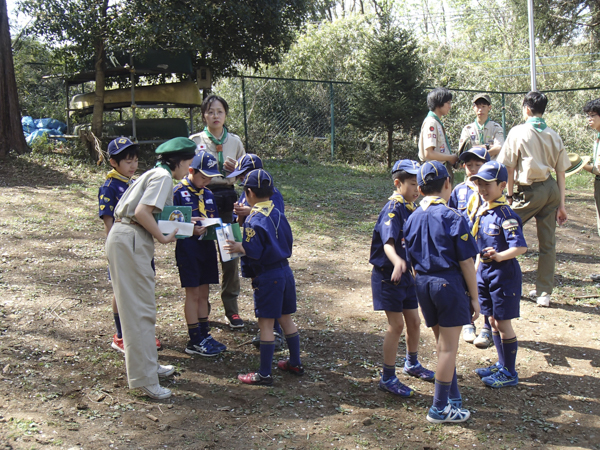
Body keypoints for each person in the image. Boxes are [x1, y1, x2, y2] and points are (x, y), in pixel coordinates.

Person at [105, 137, 197, 400]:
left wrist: (190, 228)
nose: (189, 169)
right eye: (189, 163)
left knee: (144, 308)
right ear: (178, 161)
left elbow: (156, 215)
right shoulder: (163, 177)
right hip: (131, 238)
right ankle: (144, 379)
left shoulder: (158, 174)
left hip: (132, 238)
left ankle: (149, 366)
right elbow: (144, 213)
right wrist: (163, 237)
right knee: (137, 312)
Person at [404, 161, 479, 423]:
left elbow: (411, 259)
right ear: (448, 183)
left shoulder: (412, 217)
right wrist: (476, 298)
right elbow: (467, 263)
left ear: (421, 188)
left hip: (423, 284)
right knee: (448, 349)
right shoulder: (452, 217)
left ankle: (452, 398)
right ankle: (438, 409)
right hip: (448, 285)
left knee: (442, 345)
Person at [224, 169, 303, 386]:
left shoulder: (253, 219)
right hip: (286, 272)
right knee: (286, 318)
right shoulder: (278, 213)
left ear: (248, 192)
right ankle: (295, 362)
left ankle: (264, 374)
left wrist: (241, 246)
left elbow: (255, 251)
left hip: (268, 276)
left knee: (266, 324)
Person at [497, 91, 570, 307]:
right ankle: (544, 293)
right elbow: (561, 172)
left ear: (527, 109)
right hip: (551, 190)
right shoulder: (553, 134)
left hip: (528, 191)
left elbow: (509, 167)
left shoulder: (518, 132)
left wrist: (508, 196)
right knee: (548, 243)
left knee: (502, 229)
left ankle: (503, 284)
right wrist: (562, 205)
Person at [369, 159, 434, 398]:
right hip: (389, 276)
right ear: (398, 183)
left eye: (419, 183)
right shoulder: (393, 209)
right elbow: (388, 243)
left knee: (414, 322)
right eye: (412, 183)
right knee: (396, 325)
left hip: (407, 276)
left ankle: (412, 363)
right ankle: (387, 376)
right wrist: (397, 261)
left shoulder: (412, 208)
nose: (417, 188)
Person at [98, 137, 162, 353]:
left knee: (141, 289)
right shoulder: (109, 187)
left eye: (135, 160)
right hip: (123, 246)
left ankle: (142, 333)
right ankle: (121, 335)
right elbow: (110, 224)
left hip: (140, 245)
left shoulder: (134, 183)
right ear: (113, 163)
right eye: (127, 161)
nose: (133, 166)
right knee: (121, 291)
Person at [189, 95, 246, 328]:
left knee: (229, 253)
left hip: (227, 200)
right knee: (203, 254)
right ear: (204, 114)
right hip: (201, 198)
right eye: (210, 111)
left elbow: (246, 175)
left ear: (226, 115)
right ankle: (204, 308)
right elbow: (185, 172)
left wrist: (238, 171)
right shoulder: (194, 140)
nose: (215, 116)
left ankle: (231, 308)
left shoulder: (234, 141)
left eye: (219, 111)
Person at [469, 161, 527, 388]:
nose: (482, 189)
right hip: (485, 273)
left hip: (503, 275)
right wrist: (475, 272)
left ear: (503, 185)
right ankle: (502, 364)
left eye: (487, 184)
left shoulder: (506, 215)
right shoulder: (484, 211)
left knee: (503, 324)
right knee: (491, 320)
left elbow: (520, 247)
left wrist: (500, 256)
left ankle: (510, 372)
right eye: (479, 184)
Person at [227, 153, 286, 351]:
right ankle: (267, 328)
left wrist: (250, 212)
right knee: (259, 288)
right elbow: (242, 220)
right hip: (253, 250)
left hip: (267, 255)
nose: (242, 179)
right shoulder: (247, 191)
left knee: (271, 293)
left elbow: (272, 217)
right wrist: (239, 213)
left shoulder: (271, 193)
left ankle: (273, 331)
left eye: (244, 174)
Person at [173, 151, 226, 356]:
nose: (207, 181)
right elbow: (170, 225)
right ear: (191, 170)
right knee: (193, 293)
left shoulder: (209, 194)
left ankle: (205, 334)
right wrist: (190, 229)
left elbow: (214, 220)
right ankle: (194, 339)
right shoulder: (178, 192)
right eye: (203, 177)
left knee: (204, 292)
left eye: (210, 178)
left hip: (207, 248)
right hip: (188, 249)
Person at [448, 146, 494, 347]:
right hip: (464, 246)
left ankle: (487, 327)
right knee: (465, 283)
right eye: (469, 165)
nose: (473, 169)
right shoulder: (459, 190)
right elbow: (449, 214)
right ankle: (468, 322)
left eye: (478, 164)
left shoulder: (490, 191)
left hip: (484, 246)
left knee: (485, 285)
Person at [418, 87, 458, 184]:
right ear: (439, 103)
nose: (450, 106)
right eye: (448, 103)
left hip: (440, 169)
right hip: (434, 172)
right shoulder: (431, 123)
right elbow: (429, 154)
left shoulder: (436, 122)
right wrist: (450, 157)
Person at [458, 94, 504, 159]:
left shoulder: (496, 127)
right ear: (473, 108)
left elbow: (499, 147)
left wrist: (477, 150)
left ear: (489, 107)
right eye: (478, 106)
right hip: (473, 166)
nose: (480, 110)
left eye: (483, 106)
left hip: (491, 166)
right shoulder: (467, 129)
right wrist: (487, 147)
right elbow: (463, 150)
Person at [582, 99, 600, 240]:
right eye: (588, 115)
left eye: (593, 115)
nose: (589, 119)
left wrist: (580, 165)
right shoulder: (597, 137)